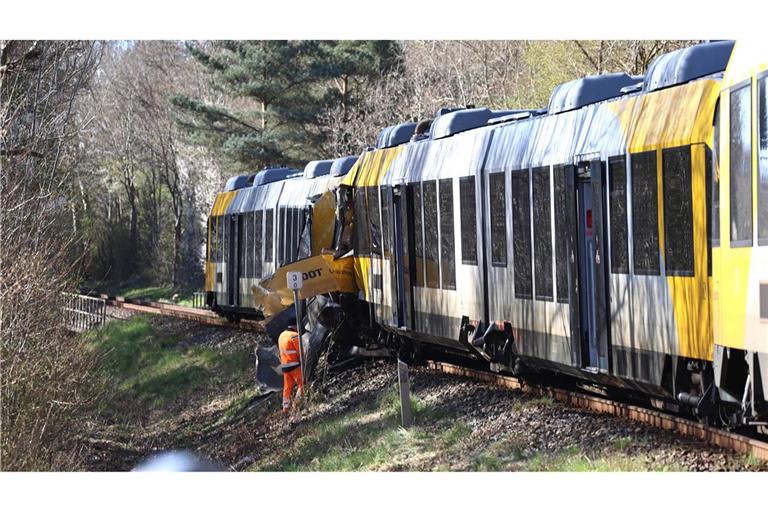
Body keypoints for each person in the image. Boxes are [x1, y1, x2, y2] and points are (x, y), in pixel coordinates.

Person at [278, 324, 303, 413]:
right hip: (294, 365)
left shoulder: (281, 335)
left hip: (284, 366)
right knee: (302, 384)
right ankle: (296, 404)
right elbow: (300, 352)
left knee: (287, 387)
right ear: (295, 326)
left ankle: (285, 407)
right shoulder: (294, 336)